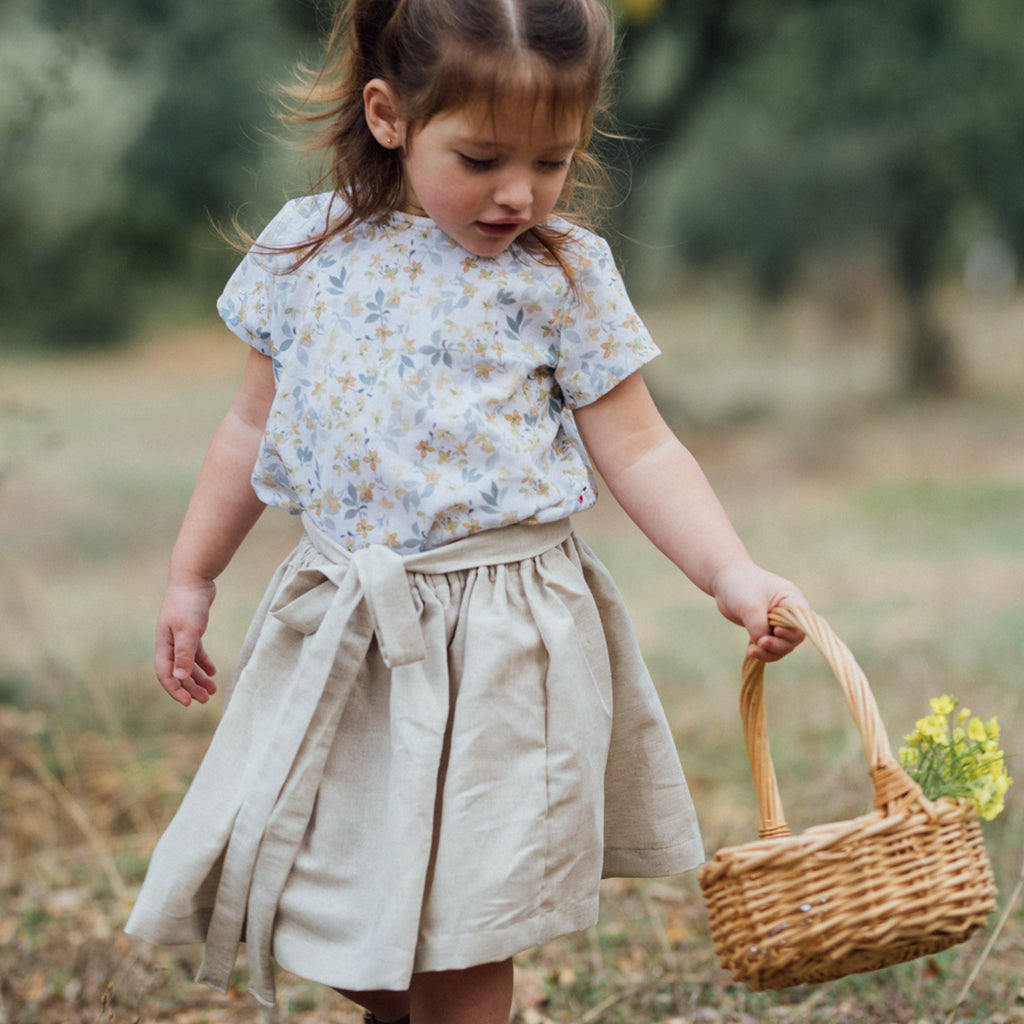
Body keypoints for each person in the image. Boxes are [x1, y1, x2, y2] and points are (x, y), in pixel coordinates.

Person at [125, 1, 807, 1021]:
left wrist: (731, 570)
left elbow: (640, 445)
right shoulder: (303, 253)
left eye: (551, 161)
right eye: (483, 158)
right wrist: (192, 572)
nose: (519, 193)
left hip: (501, 641)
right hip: (348, 636)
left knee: (468, 923)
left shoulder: (560, 275)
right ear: (390, 115)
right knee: (335, 900)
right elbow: (245, 429)